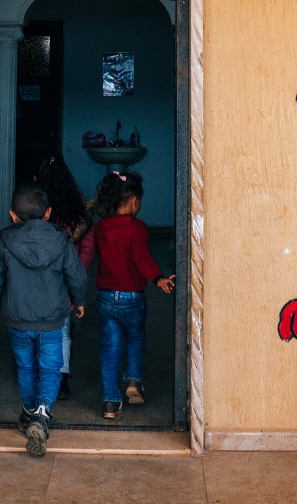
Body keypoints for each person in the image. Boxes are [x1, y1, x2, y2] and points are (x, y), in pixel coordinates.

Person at [0, 183, 88, 457]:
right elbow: (76, 275)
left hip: (18, 319)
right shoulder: (61, 240)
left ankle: (29, 415)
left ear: (12, 215)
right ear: (48, 213)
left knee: (26, 368)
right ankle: (42, 415)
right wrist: (79, 302)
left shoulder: (3, 241)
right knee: (51, 369)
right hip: (52, 320)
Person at [89, 171, 175, 420]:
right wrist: (157, 278)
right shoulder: (137, 228)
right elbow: (141, 257)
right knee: (136, 337)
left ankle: (110, 402)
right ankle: (134, 379)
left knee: (110, 348)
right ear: (134, 200)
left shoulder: (100, 228)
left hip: (105, 298)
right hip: (132, 298)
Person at [35, 154, 92, 400]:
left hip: (40, 277)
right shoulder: (77, 204)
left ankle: (41, 373)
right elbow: (88, 244)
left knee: (37, 326)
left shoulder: (38, 205)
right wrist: (77, 269)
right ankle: (62, 377)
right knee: (63, 330)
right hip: (67, 276)